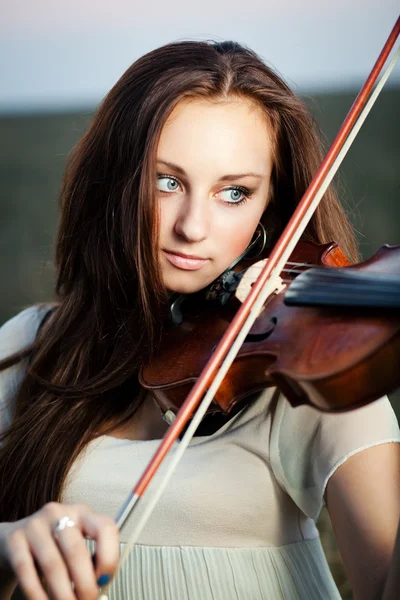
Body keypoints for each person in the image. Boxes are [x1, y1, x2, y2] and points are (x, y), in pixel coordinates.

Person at [0, 40, 399, 600]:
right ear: (116, 180)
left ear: (271, 205)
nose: (193, 227)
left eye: (234, 193)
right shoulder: (28, 345)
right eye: (167, 182)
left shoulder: (311, 364)